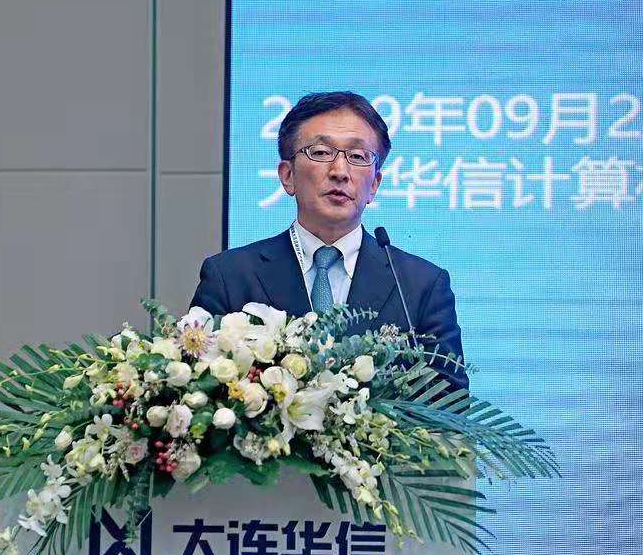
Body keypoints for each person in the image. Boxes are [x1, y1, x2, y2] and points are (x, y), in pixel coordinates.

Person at [190, 91, 468, 393]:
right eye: (321, 153)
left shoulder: (419, 286)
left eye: (358, 156)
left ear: (374, 185)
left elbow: (449, 406)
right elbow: (197, 386)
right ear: (287, 176)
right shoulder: (230, 276)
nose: (340, 172)